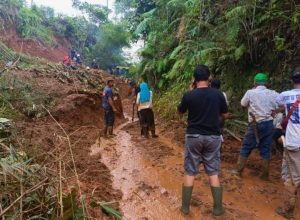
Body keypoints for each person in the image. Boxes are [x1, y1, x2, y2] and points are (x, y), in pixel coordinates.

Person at [178, 65, 229, 216]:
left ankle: (185, 208)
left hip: (193, 136)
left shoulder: (189, 95)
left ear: (194, 79)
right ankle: (218, 209)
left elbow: (180, 112)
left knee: (190, 171)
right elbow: (225, 115)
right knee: (213, 172)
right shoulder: (218, 94)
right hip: (213, 137)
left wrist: (190, 91)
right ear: (209, 77)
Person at [232, 73, 278, 180]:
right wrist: (273, 111)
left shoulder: (250, 92)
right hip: (268, 124)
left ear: (255, 82)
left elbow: (243, 104)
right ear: (266, 83)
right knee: (266, 148)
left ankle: (238, 171)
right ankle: (265, 175)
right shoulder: (273, 93)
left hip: (255, 124)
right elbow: (280, 105)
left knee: (246, 146)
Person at [275, 68, 300, 219]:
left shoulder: (285, 95)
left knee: (292, 177)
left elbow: (276, 106)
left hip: (293, 142)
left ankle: (288, 210)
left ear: (292, 81)